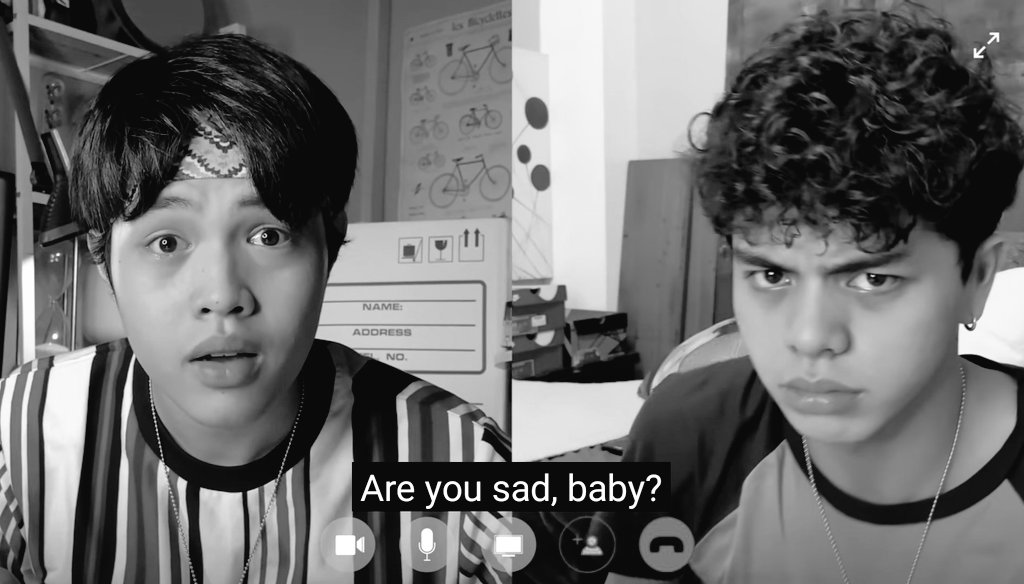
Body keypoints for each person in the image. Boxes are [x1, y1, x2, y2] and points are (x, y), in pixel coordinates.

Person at [0, 34, 510, 583]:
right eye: (167, 242)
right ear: (103, 260)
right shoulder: (21, 428)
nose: (223, 295)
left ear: (331, 245)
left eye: (269, 235)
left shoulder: (462, 460)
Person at [596, 4, 1024, 583]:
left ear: (978, 279)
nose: (809, 337)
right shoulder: (687, 432)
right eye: (772, 276)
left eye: (873, 279)